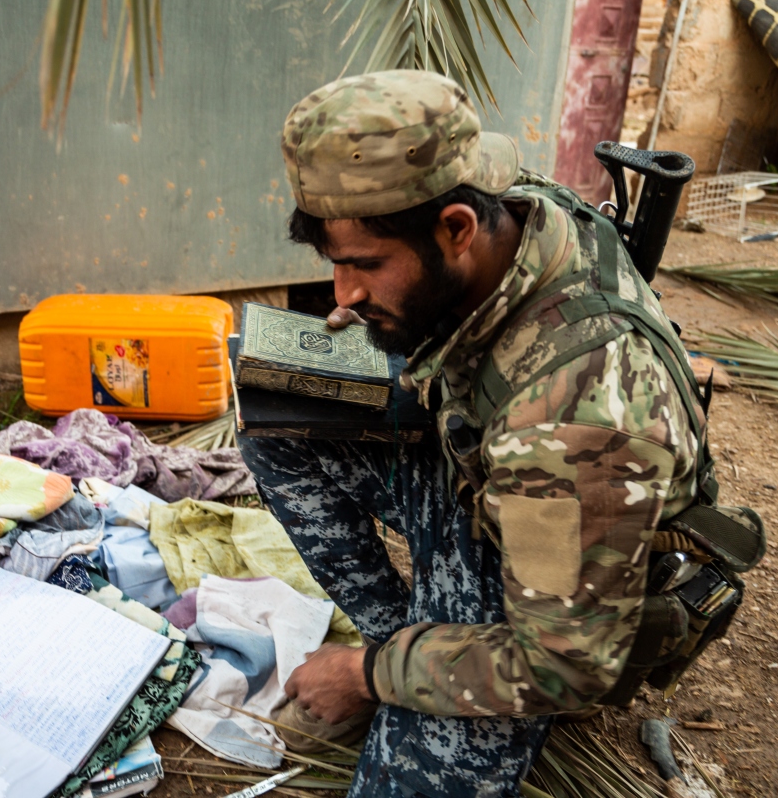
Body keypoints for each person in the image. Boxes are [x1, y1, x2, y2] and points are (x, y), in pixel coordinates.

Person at [235, 69, 709, 797]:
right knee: (276, 426)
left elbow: (565, 662)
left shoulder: (571, 420)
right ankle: (413, 642)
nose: (344, 295)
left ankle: (412, 666)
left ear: (456, 228)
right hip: (483, 469)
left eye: (364, 267)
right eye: (336, 265)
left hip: (560, 576)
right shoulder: (506, 203)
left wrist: (365, 676)